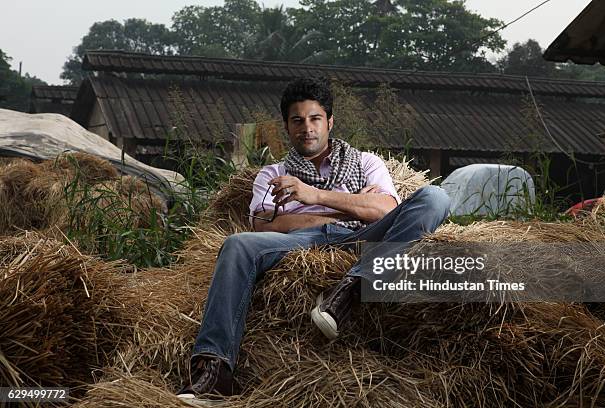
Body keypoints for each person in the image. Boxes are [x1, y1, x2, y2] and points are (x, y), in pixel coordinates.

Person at [177, 77, 450, 405]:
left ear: (329, 121)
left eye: (315, 118)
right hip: (301, 242)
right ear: (287, 127)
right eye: (297, 120)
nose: (307, 128)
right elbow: (268, 224)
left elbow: (383, 211)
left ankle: (350, 289)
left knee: (435, 198)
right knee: (237, 245)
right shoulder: (271, 174)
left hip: (358, 239)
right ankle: (216, 369)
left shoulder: (366, 163)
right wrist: (347, 209)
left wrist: (312, 195)